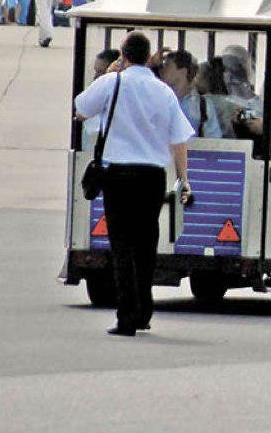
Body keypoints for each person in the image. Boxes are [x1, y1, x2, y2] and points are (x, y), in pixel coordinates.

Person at [74, 33, 193, 336]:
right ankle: (144, 312)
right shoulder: (163, 91)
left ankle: (127, 315)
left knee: (122, 246)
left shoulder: (112, 82)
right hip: (152, 176)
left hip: (119, 175)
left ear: (123, 56)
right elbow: (179, 139)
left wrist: (111, 72)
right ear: (149, 56)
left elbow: (82, 108)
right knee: (145, 245)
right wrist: (184, 178)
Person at [159, 49, 221, 137]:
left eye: (167, 66)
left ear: (182, 71)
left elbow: (214, 141)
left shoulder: (203, 105)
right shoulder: (158, 100)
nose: (162, 70)